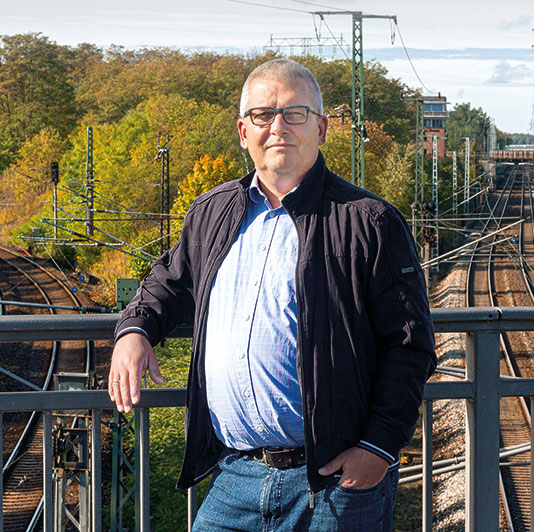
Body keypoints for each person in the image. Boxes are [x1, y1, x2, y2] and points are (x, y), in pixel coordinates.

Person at [108, 58, 435, 531]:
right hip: (234, 475)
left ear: (321, 129)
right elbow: (169, 282)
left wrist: (377, 449)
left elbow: (410, 344)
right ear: (244, 132)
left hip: (333, 482)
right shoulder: (212, 212)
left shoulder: (369, 221)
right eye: (263, 115)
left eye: (294, 114)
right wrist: (134, 330)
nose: (277, 127)